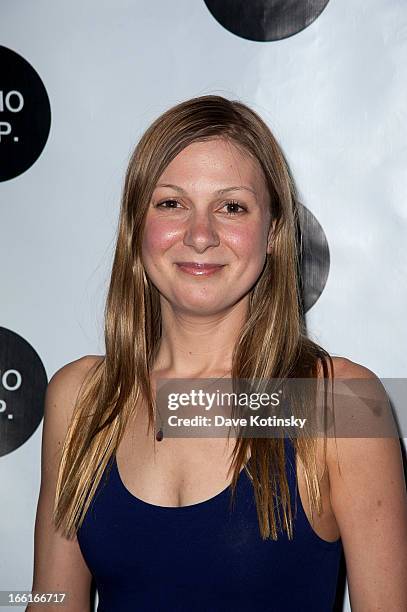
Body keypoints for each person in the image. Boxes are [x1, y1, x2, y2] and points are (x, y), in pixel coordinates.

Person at [28, 95, 407, 611]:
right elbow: (51, 603)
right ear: (137, 226)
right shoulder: (81, 398)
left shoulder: (339, 404)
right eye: (171, 204)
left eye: (232, 207)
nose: (200, 235)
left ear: (273, 231)